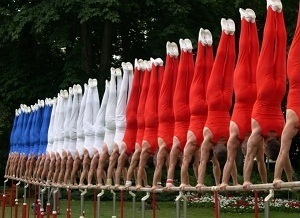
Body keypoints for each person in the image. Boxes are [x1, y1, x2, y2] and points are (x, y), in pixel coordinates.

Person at [243, 0, 287, 189]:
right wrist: (246, 181)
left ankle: (278, 12)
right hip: (264, 88)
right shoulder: (257, 133)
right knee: (268, 47)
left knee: (279, 50)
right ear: (266, 149)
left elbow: (285, 156)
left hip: (279, 90)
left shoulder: (282, 128)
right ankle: (270, 9)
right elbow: (249, 157)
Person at [220, 8, 259, 189]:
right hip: (247, 92)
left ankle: (248, 22)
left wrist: (225, 183)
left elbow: (230, 160)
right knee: (248, 57)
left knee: (250, 56)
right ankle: (246, 22)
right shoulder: (249, 137)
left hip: (247, 93)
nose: (245, 149)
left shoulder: (242, 136)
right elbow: (234, 159)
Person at [196, 18, 236, 189]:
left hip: (226, 102)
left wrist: (233, 181)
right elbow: (203, 162)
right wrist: (199, 183)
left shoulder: (230, 139)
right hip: (212, 101)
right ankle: (205, 45)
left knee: (227, 69)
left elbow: (231, 162)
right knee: (216, 68)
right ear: (214, 150)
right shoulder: (208, 139)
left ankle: (229, 34)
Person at [180, 28, 214, 188]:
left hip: (207, 108)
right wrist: (184, 182)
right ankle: (198, 46)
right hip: (196, 108)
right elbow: (185, 165)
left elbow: (206, 164)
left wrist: (198, 182)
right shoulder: (192, 144)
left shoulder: (202, 145)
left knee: (208, 75)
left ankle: (207, 46)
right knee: (200, 74)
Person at [273, 3, 300, 188]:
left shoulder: (293, 123)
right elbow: (283, 151)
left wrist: (283, 181)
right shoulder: (292, 123)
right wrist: (278, 178)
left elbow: (284, 151)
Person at [165, 38, 194, 188]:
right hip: (180, 113)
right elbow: (171, 165)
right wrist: (169, 182)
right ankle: (177, 55)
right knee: (179, 82)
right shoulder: (178, 146)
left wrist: (187, 182)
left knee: (189, 81)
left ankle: (185, 53)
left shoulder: (189, 146)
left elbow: (195, 165)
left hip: (189, 113)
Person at [152, 42, 179, 189]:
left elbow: (161, 167)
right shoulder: (167, 147)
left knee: (170, 85)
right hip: (171, 116)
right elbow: (166, 166)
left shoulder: (168, 148)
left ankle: (170, 57)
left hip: (168, 116)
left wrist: (156, 185)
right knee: (171, 85)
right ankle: (171, 58)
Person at [114, 60, 145, 187]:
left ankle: (131, 72)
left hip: (130, 120)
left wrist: (120, 183)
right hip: (134, 120)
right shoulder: (131, 150)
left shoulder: (127, 151)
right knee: (138, 94)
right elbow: (138, 167)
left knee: (135, 94)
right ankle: (135, 71)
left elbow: (127, 166)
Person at [136, 58, 164, 189]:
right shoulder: (150, 149)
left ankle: (151, 68)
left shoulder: (147, 150)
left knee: (154, 92)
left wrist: (141, 184)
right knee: (153, 92)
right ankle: (149, 69)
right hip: (150, 120)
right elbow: (141, 167)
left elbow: (140, 167)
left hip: (150, 120)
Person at [106, 62, 134, 186]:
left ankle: (125, 74)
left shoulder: (124, 151)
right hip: (120, 123)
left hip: (122, 123)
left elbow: (114, 165)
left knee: (128, 96)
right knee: (122, 97)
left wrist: (115, 183)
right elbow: (113, 165)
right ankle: (121, 75)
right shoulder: (119, 150)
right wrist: (112, 182)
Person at [125, 60, 151, 188]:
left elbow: (138, 166)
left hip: (138, 120)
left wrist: (132, 183)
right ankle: (141, 71)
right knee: (140, 93)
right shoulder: (136, 149)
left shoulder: (138, 150)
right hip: (139, 120)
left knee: (139, 93)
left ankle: (138, 70)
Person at [97, 69, 122, 185]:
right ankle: (114, 78)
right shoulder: (110, 153)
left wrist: (107, 182)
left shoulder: (109, 152)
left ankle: (114, 78)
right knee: (116, 100)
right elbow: (101, 168)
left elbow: (99, 168)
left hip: (113, 126)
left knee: (119, 99)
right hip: (114, 125)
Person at [86, 81, 109, 186]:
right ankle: (90, 90)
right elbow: (92, 169)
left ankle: (95, 89)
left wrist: (101, 183)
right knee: (94, 109)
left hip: (101, 132)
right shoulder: (95, 155)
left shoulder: (104, 154)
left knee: (102, 108)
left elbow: (98, 169)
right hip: (94, 133)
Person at [79, 79, 100, 185]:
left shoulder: (93, 155)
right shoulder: (89, 155)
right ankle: (91, 89)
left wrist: (87, 183)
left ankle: (91, 89)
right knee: (90, 108)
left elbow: (90, 170)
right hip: (91, 132)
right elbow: (90, 169)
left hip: (92, 132)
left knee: (92, 108)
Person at [63, 84, 83, 185]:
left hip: (68, 135)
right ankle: (77, 95)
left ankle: (72, 96)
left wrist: (71, 182)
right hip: (76, 134)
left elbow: (66, 170)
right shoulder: (77, 157)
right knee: (79, 113)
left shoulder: (71, 158)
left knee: (71, 113)